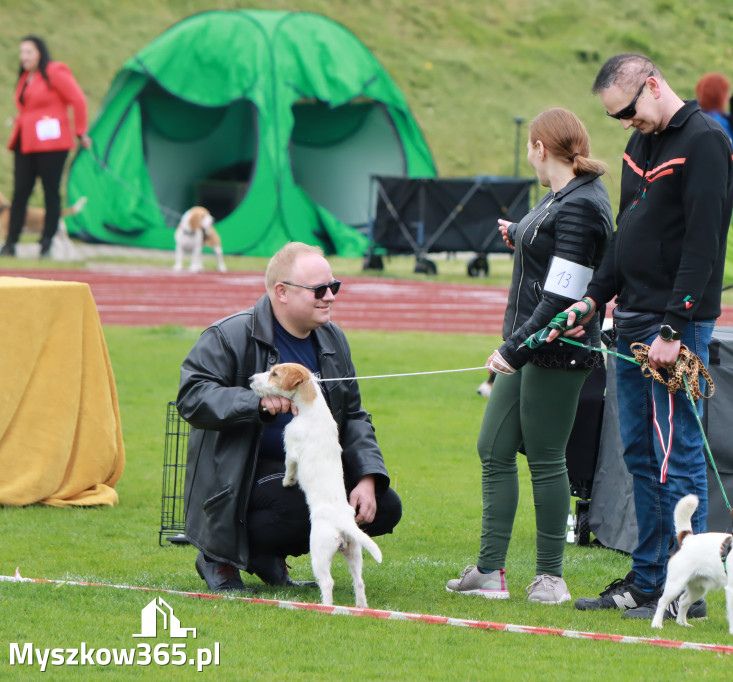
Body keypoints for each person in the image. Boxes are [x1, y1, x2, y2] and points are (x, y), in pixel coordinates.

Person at [554, 53, 733, 619]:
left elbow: (704, 242)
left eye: (628, 111)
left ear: (653, 86)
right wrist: (594, 296)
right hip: (629, 321)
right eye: (617, 118)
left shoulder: (703, 140)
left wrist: (673, 328)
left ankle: (690, 591)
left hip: (669, 327)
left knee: (676, 458)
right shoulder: (639, 145)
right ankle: (650, 577)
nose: (626, 124)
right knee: (638, 453)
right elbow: (625, 232)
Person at [444, 108, 614, 604]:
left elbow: (564, 295)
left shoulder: (582, 202)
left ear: (540, 147)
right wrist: (520, 233)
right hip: (526, 346)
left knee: (544, 457)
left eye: (529, 150)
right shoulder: (562, 195)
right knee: (492, 449)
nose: (530, 158)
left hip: (554, 351)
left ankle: (549, 578)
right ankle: (490, 571)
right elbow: (554, 248)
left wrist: (513, 349)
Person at [178, 242, 402, 591]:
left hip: (305, 467)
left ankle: (266, 557)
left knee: (385, 506)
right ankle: (219, 555)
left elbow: (354, 415)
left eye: (334, 287)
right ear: (281, 292)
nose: (330, 296)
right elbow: (192, 397)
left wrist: (369, 477)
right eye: (319, 290)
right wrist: (258, 405)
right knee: (298, 507)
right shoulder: (229, 335)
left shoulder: (334, 339)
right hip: (241, 477)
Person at [2, 36, 90, 258]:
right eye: (22, 53)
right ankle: (11, 242)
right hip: (25, 142)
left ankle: (46, 242)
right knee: (20, 192)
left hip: (52, 143)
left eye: (29, 52)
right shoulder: (24, 77)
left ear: (40, 52)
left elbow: (78, 100)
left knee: (51, 191)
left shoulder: (54, 72)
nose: (24, 57)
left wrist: (80, 131)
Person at [695, 72, 733, 166]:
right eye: (726, 92)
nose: (729, 96)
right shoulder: (718, 123)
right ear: (717, 96)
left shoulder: (697, 114)